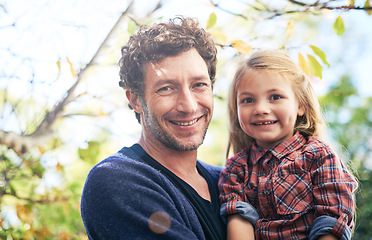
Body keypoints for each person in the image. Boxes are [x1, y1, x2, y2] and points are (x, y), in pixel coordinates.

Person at [80, 17, 226, 239]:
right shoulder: (117, 181)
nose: (189, 105)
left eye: (199, 85)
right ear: (136, 100)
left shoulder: (229, 180)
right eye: (167, 88)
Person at [218, 49, 358, 240]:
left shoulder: (319, 156)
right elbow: (239, 222)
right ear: (236, 109)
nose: (261, 109)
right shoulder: (236, 169)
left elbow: (332, 223)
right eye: (248, 100)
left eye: (275, 97)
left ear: (300, 104)